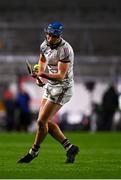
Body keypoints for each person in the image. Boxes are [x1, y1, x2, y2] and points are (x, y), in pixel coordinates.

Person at [17, 22, 79, 164]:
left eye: (54, 36)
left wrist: (42, 74)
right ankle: (69, 147)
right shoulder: (44, 44)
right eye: (49, 34)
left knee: (41, 121)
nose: (50, 38)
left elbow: (61, 76)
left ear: (59, 36)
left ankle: (33, 152)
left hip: (63, 88)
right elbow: (42, 60)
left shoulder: (65, 50)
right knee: (43, 123)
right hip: (50, 86)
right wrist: (39, 77)